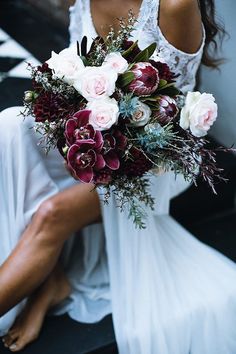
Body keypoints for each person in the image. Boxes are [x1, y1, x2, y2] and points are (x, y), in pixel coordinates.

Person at [0, 0, 236, 353]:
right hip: (97, 139)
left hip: (152, 161)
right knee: (8, 128)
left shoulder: (174, 6)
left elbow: (166, 122)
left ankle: (51, 276)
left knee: (51, 215)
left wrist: (93, 156)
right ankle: (52, 276)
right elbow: (75, 72)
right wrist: (74, 138)